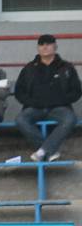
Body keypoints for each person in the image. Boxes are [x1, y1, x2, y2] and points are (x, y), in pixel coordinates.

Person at [14, 34, 81, 163]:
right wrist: (31, 102)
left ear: (55, 46)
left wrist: (61, 100)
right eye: (41, 44)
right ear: (38, 48)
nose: (45, 47)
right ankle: (49, 150)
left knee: (70, 118)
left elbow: (76, 91)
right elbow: (19, 92)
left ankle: (42, 151)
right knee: (20, 119)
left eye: (48, 44)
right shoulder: (29, 68)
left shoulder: (67, 67)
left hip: (59, 108)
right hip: (34, 108)